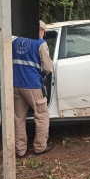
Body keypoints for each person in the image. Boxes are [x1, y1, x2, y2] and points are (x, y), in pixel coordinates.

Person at [12, 20, 54, 158]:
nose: (44, 35)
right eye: (44, 32)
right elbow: (48, 67)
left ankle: (20, 150)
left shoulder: (15, 42)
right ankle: (40, 147)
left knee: (18, 119)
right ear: (41, 31)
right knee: (41, 116)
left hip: (16, 85)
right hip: (33, 86)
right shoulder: (39, 43)